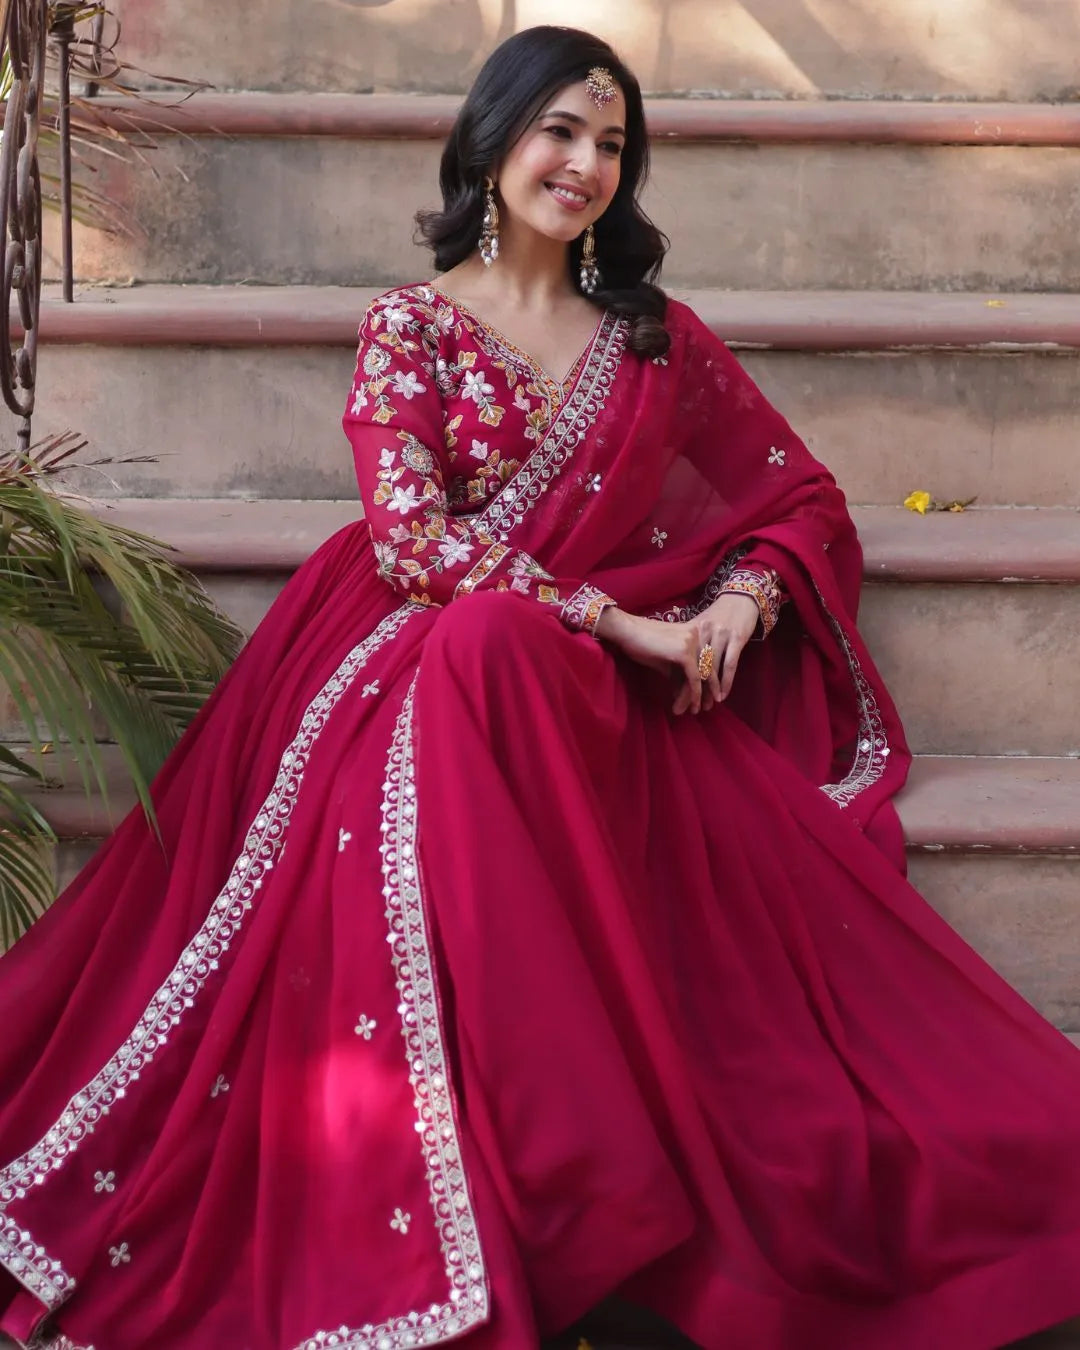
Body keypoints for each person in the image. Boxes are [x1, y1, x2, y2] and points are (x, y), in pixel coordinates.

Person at [1, 24, 1079, 1350]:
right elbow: (412, 536)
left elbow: (789, 493)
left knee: (510, 660)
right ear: (496, 137)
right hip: (422, 638)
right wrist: (618, 621)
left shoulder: (651, 343)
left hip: (585, 689)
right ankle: (519, 1147)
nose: (583, 164)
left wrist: (741, 598)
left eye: (612, 144)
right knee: (478, 647)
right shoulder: (411, 324)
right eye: (561, 130)